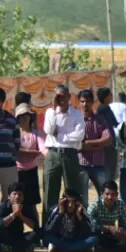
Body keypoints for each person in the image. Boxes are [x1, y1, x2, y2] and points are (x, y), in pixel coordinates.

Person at [43, 85, 85, 217]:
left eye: (63, 96)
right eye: (57, 96)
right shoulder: (50, 113)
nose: (61, 99)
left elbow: (79, 135)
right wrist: (54, 110)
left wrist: (61, 136)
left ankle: (72, 226)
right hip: (53, 154)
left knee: (72, 192)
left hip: (70, 154)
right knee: (50, 192)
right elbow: (49, 130)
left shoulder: (77, 114)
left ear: (69, 97)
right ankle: (48, 228)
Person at [77, 89, 112, 202]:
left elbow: (108, 139)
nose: (85, 104)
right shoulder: (75, 120)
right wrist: (99, 143)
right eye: (82, 101)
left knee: (105, 196)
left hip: (98, 164)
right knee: (83, 199)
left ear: (93, 102)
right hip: (81, 165)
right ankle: (85, 220)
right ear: (79, 102)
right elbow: (77, 144)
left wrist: (88, 143)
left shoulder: (100, 119)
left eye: (87, 101)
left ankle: (105, 220)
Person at [89, 181, 126, 252]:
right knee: (93, 239)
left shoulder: (120, 204)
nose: (110, 197)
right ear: (102, 194)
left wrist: (122, 233)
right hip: (98, 234)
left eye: (113, 194)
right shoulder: (96, 204)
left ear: (117, 194)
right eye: (107, 194)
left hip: (113, 236)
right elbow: (88, 222)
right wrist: (107, 228)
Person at [44, 188, 98, 252]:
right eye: (68, 202)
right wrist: (60, 214)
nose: (70, 205)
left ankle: (60, 248)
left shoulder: (81, 210)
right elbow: (49, 229)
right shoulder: (56, 209)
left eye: (73, 202)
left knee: (93, 239)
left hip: (75, 240)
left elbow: (89, 231)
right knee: (47, 237)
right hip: (60, 239)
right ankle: (79, 248)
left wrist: (79, 217)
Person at [0, 181, 40, 252]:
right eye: (14, 194)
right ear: (9, 196)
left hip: (19, 236)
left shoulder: (26, 207)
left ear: (23, 197)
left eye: (20, 194)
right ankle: (21, 247)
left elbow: (35, 226)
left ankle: (12, 248)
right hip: (6, 236)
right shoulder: (2, 206)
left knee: (38, 232)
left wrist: (20, 215)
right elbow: (0, 224)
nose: (17, 196)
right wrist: (14, 214)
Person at [15, 103, 44, 210]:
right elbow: (15, 151)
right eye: (21, 115)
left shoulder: (36, 133)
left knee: (31, 204)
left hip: (31, 173)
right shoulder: (14, 133)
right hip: (16, 173)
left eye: (26, 115)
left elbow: (42, 149)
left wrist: (23, 152)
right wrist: (33, 152)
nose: (24, 117)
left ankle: (35, 226)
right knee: (16, 203)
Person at [96, 87, 123, 183]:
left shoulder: (107, 108)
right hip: (107, 143)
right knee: (108, 167)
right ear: (106, 97)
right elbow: (104, 126)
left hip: (111, 141)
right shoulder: (101, 109)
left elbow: (115, 123)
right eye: (110, 95)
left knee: (112, 166)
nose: (112, 97)